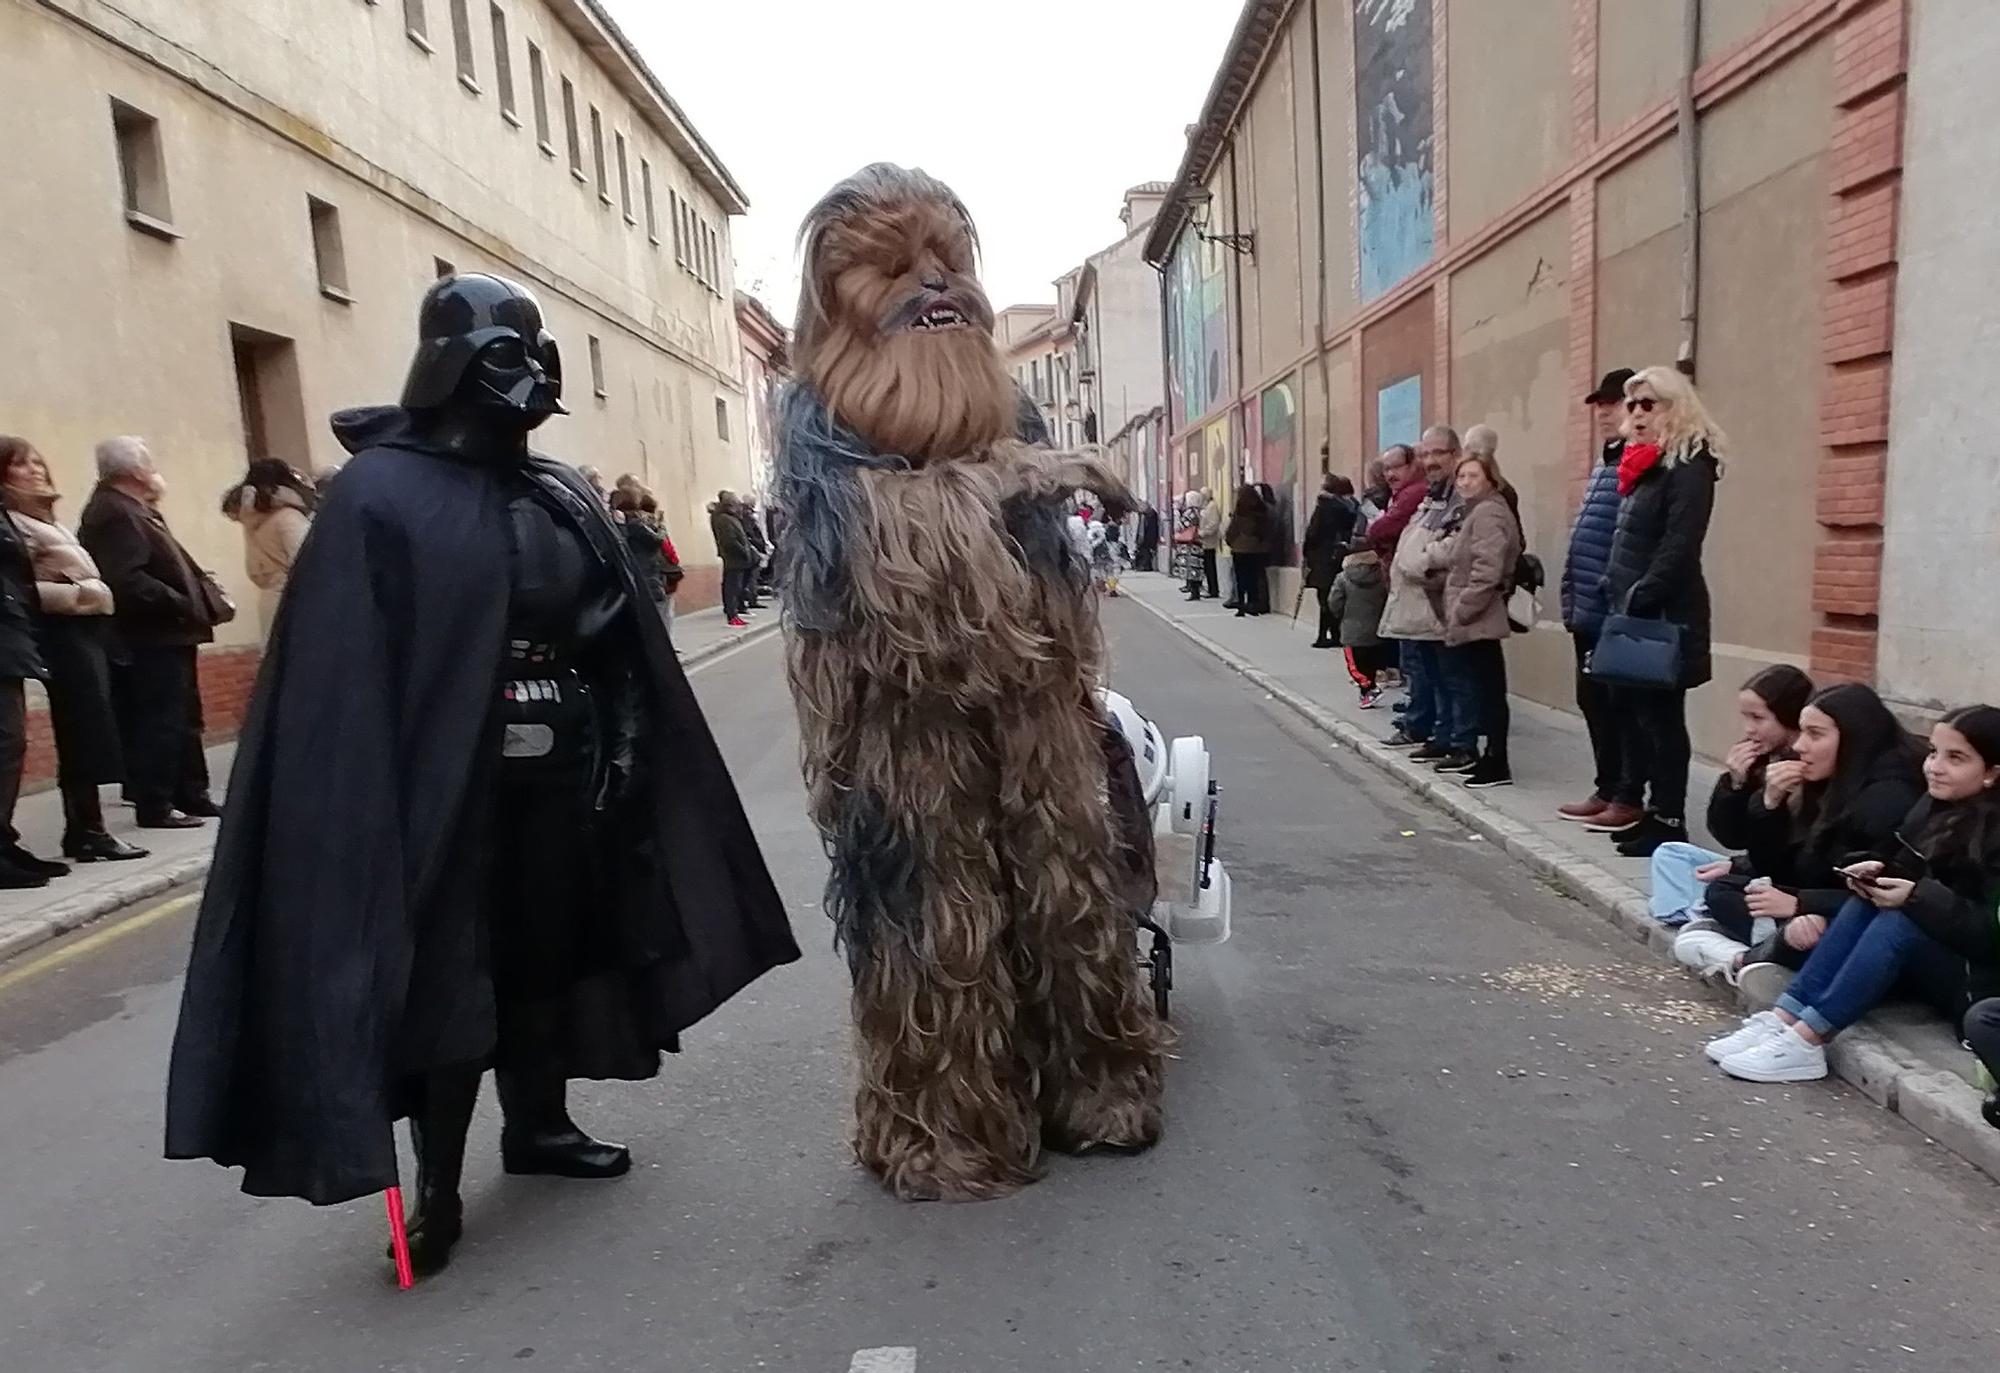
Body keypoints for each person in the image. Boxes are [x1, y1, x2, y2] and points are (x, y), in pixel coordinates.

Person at [163, 272, 799, 1278]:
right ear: (452, 367)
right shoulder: (378, 497)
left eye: (538, 355)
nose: (533, 378)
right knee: (451, 980)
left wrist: (624, 746)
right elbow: (339, 677)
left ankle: (537, 1125)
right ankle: (438, 1185)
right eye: (510, 355)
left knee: (549, 952)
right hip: (440, 790)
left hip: (565, 771)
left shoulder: (556, 493)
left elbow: (619, 642)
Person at [1707, 704, 2000, 1084]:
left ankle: (1808, 1038)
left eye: (1955, 758)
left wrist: (1912, 896)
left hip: (1978, 988)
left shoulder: (1974, 826)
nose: (1934, 766)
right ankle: (1785, 1018)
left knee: (1899, 919)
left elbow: (1988, 935)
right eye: (1933, 752)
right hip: (1931, 955)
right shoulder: (1934, 807)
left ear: (1993, 773)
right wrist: (1875, 871)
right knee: (1870, 901)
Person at [1673, 682, 1923, 988]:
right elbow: (1774, 861)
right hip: (1815, 902)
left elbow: (1873, 891)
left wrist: (1799, 903)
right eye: (1803, 733)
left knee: (1811, 932)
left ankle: (1746, 956)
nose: (1800, 746)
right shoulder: (1830, 778)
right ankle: (1759, 946)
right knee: (1721, 888)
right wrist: (1765, 803)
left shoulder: (1887, 797)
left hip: (1857, 920)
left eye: (1815, 735)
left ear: (1855, 740)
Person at [0, 437, 147, 865]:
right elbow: (24, 588)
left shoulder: (44, 515)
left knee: (92, 730)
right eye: (21, 464)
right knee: (80, 730)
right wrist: (83, 595)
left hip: (85, 633)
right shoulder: (14, 520)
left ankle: (86, 828)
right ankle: (87, 831)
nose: (35, 469)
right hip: (57, 633)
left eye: (37, 461)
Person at [1600, 366, 1724, 858]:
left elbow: (1680, 544)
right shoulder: (1645, 464)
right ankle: (1652, 811)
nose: (1635, 413)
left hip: (1666, 612)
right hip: (1634, 609)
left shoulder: (1691, 464)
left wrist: (1641, 594)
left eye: (1647, 404)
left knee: (1663, 721)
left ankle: (1669, 818)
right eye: (1632, 405)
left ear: (1676, 406)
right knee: (1637, 716)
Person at [79, 436, 227, 830]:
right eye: (149, 462)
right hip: (150, 637)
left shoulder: (135, 509)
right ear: (135, 471)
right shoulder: (115, 512)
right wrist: (180, 600)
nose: (154, 470)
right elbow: (126, 579)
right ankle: (156, 803)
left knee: (182, 717)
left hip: (170, 634)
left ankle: (191, 794)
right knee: (159, 721)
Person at [1648, 664, 1811, 927]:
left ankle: (1694, 913)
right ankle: (1694, 911)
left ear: (1789, 717)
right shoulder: (1758, 758)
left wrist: (1739, 866)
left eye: (1758, 718)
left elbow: (1787, 855)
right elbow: (1729, 837)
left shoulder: (1804, 766)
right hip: (1752, 868)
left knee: (1717, 892)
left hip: (1780, 881)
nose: (1748, 729)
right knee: (1670, 854)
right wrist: (1733, 784)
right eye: (1745, 717)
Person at [1558, 368, 1644, 833]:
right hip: (1587, 606)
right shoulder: (1608, 459)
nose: (1604, 412)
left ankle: (1630, 794)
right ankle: (1607, 785)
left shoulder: (1640, 459)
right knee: (1592, 700)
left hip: (1611, 606)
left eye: (1613, 404)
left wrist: (1612, 593)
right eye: (1601, 404)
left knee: (1621, 706)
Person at [1436, 449, 1522, 788]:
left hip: (1480, 617)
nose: (1465, 482)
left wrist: (1462, 609)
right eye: (1461, 476)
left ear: (1490, 478)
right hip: (1475, 615)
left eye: (1473, 475)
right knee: (1483, 689)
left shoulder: (1488, 512)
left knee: (1487, 691)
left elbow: (1488, 568)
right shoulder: (1479, 510)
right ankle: (1490, 758)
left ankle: (1496, 761)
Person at [0, 451, 60, 890]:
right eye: (22, 463)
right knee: (5, 744)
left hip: (11, 639)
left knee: (11, 744)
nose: (34, 469)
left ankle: (4, 843)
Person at [1382, 428, 1462, 759]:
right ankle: (1441, 735)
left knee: (1453, 678)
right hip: (1423, 602)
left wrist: (1416, 560)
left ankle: (1457, 740)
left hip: (1443, 601)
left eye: (1438, 453)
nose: (1431, 461)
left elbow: (1452, 544)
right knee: (1432, 672)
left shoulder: (1460, 494)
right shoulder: (1433, 493)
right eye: (1426, 454)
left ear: (1456, 454)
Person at [222, 459, 316, 637]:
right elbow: (306, 560)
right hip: (296, 598)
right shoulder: (288, 517)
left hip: (268, 597)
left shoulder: (250, 519)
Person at [1302, 473, 1359, 648]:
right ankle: (1336, 634)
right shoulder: (1351, 507)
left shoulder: (1324, 507)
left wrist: (1307, 556)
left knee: (1325, 597)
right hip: (1340, 556)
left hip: (1322, 557)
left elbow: (1313, 534)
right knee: (1336, 596)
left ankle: (1323, 635)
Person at [1328, 547, 1390, 707]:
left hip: (1352, 630)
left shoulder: (1343, 578)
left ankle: (1370, 690)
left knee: (1355, 667)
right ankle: (1367, 694)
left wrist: (1342, 616)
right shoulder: (1382, 576)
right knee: (1371, 664)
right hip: (1377, 628)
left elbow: (1334, 602)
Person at [1224, 483, 1273, 617]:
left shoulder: (1240, 511)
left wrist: (1229, 541)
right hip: (1256, 549)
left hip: (1239, 549)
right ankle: (1253, 604)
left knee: (1241, 578)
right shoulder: (1261, 510)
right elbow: (1265, 530)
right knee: (1253, 577)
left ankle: (1240, 605)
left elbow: (1232, 530)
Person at [710, 489, 755, 627]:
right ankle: (732, 615)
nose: (739, 506)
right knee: (732, 587)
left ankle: (735, 612)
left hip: (737, 558)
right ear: (730, 504)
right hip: (734, 558)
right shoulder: (724, 519)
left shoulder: (730, 517)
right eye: (736, 503)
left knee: (735, 586)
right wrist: (743, 551)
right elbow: (730, 541)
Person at [1171, 490, 1206, 599]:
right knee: (1196, 568)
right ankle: (1195, 590)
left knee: (1191, 568)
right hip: (1197, 543)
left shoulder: (1190, 512)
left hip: (1189, 545)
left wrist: (1178, 521)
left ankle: (1194, 592)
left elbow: (1181, 526)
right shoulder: (1200, 512)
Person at [1196, 485, 1222, 598]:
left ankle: (1213, 590)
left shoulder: (1212, 507)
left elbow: (1214, 524)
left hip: (1209, 542)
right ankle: (1211, 588)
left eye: (1202, 495)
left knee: (1210, 566)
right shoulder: (1206, 507)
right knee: (1207, 566)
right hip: (1205, 542)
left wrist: (1203, 532)